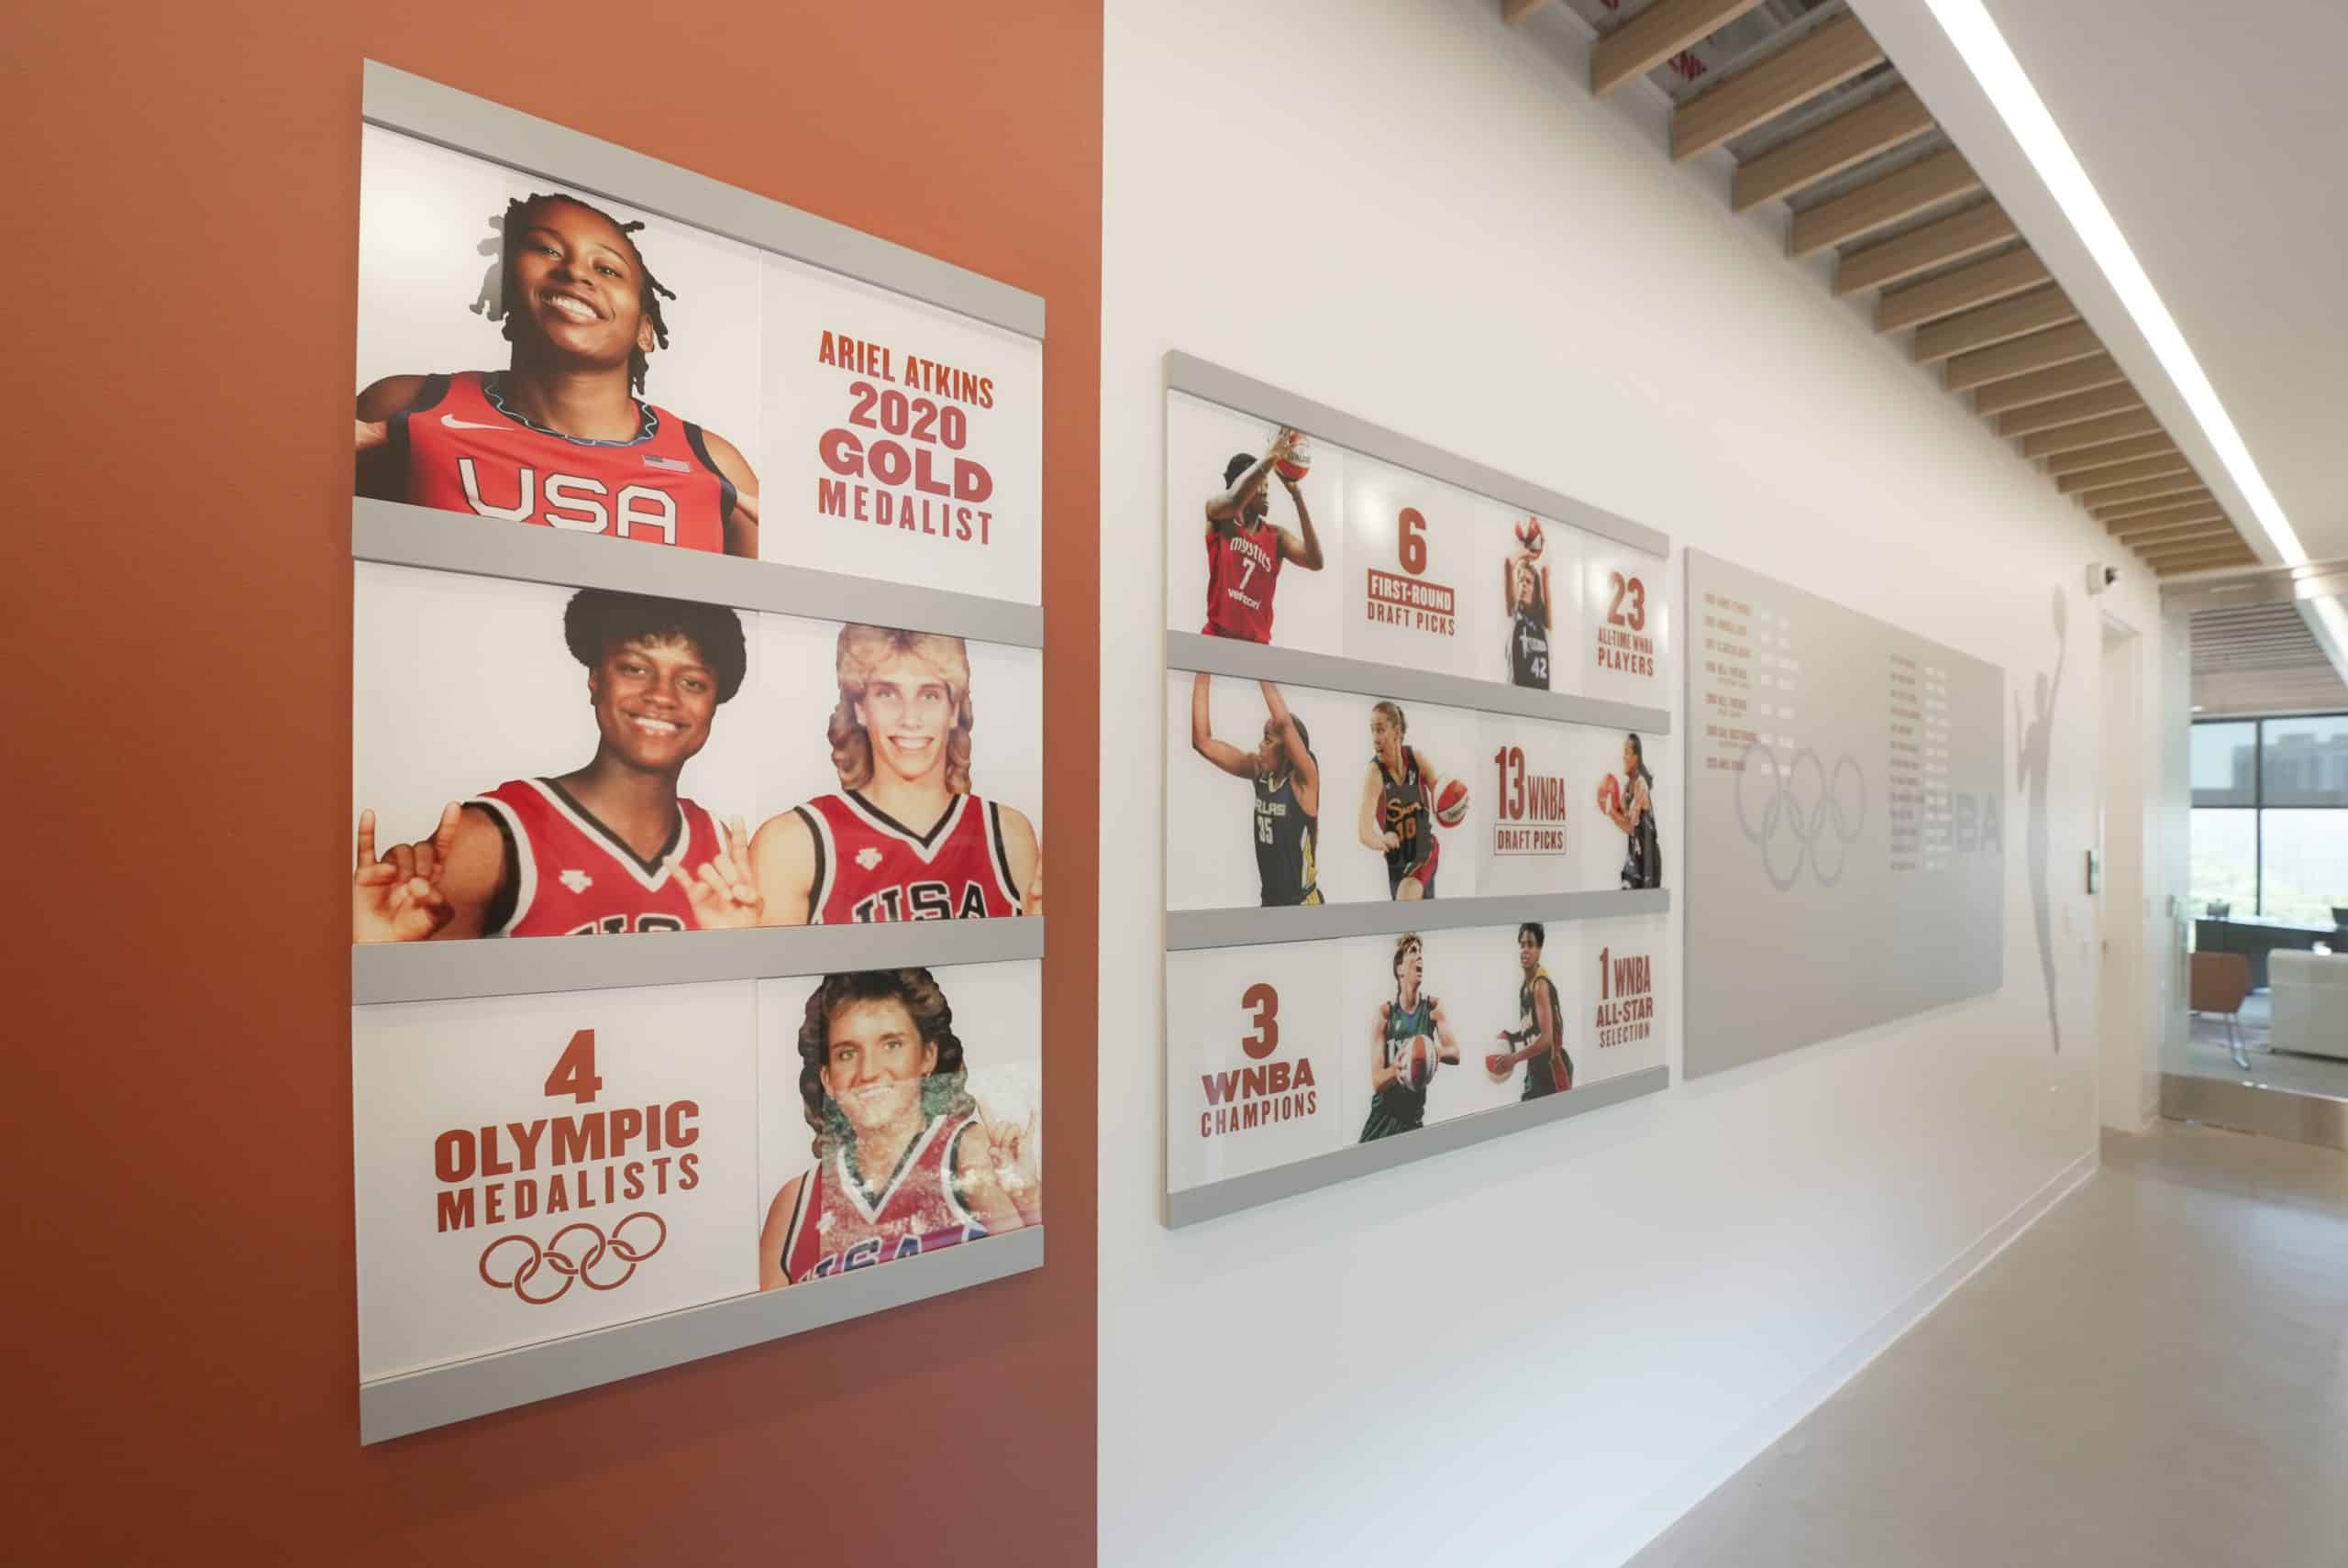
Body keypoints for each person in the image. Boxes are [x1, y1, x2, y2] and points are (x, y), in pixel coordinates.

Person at [355, 191, 760, 558]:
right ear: (508, 284)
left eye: (607, 270)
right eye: (547, 249)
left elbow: (751, 628)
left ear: (645, 331)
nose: (576, 273)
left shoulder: (716, 466)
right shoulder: (404, 408)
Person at [351, 589, 757, 940]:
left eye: (692, 682)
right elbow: (430, 1017)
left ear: (714, 703)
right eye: (634, 668)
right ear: (596, 679)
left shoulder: (720, 848)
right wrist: (376, 953)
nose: (661, 695)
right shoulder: (491, 837)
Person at [740, 625, 1041, 924]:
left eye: (930, 695)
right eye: (887, 693)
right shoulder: (793, 842)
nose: (910, 719)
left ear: (953, 711)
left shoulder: (1007, 834)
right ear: (859, 707)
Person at [759, 969, 1037, 1287]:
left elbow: (1033, 1288)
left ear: (927, 1056)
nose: (868, 1072)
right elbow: (770, 1328)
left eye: (891, 1045)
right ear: (827, 1078)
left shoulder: (968, 1154)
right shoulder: (796, 1201)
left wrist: (1027, 1193)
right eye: (847, 1054)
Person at [1188, 673, 1322, 906]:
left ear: (1288, 750)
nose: (1260, 744)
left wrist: (1260, 667)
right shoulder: (1260, 774)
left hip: (1303, 906)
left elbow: (1284, 724)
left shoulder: (1305, 782)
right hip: (1269, 903)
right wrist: (1203, 667)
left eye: (1268, 740)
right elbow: (1202, 741)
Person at [1201, 428, 1324, 642]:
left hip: (1257, 651)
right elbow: (1233, 500)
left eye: (1267, 485)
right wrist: (1271, 457)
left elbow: (1315, 561)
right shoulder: (1219, 515)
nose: (1266, 491)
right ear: (1245, 487)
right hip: (1216, 640)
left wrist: (1297, 496)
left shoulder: (1277, 537)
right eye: (1260, 485)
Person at [1359, 933, 1457, 1142]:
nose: (1420, 956)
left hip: (1413, 1120)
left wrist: (1431, 1050)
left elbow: (1455, 1053)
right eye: (1413, 951)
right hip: (1383, 1119)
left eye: (1421, 952)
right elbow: (1377, 1081)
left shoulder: (1433, 1008)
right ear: (1400, 968)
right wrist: (1398, 1068)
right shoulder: (1385, 1014)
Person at [1357, 701, 1446, 900]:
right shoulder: (1375, 774)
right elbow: (1364, 832)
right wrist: (1381, 840)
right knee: (1410, 925)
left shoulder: (1416, 759)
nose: (1375, 739)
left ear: (1397, 732)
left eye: (1380, 730)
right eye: (1372, 731)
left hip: (1424, 851)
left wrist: (1452, 800)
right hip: (1397, 862)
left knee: (1407, 897)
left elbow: (1442, 793)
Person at [1486, 923, 1571, 1099]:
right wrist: (1512, 1036)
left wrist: (1514, 1058)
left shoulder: (1540, 985)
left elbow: (1546, 1039)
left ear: (1539, 950)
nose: (1525, 950)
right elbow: (1533, 1029)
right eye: (1522, 945)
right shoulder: (1525, 986)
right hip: (1535, 1071)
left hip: (1552, 1073)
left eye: (1530, 945)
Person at [1597, 732, 1661, 890]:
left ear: (1636, 757)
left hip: (1648, 861)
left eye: (1626, 753)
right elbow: (1623, 817)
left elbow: (1631, 826)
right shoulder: (1627, 788)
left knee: (1646, 909)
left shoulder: (1641, 785)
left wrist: (1610, 811)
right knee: (1625, 898)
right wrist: (1610, 801)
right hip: (1633, 859)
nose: (1623, 758)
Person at [1503, 545, 1551, 690]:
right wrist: (1525, 553)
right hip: (1518, 695)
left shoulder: (1543, 621)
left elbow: (1545, 572)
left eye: (1528, 581)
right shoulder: (1516, 612)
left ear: (1536, 590)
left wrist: (1540, 545)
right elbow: (1509, 564)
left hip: (1542, 698)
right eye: (1521, 580)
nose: (1523, 584)